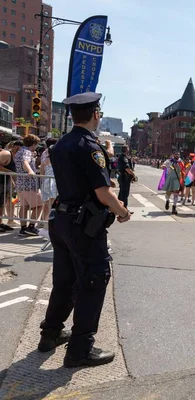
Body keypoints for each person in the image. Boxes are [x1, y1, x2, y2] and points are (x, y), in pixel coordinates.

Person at [38, 92, 132, 368]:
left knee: (64, 280)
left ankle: (50, 333)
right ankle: (80, 348)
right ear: (95, 115)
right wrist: (122, 212)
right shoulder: (89, 147)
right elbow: (103, 194)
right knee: (93, 280)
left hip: (62, 219)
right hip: (84, 226)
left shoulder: (62, 144)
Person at [15, 134, 43, 236]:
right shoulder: (27, 152)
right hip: (29, 183)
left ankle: (23, 228)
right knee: (39, 205)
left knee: (24, 206)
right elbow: (25, 162)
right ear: (34, 144)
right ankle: (31, 227)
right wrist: (31, 171)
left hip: (20, 183)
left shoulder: (20, 151)